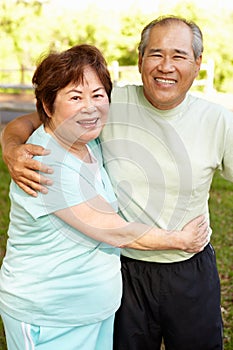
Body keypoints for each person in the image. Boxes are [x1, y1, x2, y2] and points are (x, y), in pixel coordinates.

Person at [1, 15, 232, 350]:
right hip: (125, 270)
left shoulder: (219, 121)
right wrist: (12, 149)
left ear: (198, 64)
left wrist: (182, 242)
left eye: (179, 56)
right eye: (156, 54)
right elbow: (30, 119)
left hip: (188, 267)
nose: (166, 66)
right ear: (140, 61)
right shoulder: (104, 107)